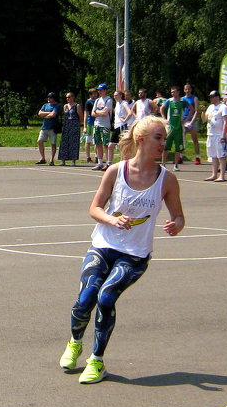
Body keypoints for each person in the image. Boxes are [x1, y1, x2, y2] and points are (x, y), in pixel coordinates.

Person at [57, 117, 186, 384]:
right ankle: (75, 341)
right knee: (85, 299)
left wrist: (176, 225)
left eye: (164, 138)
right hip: (103, 246)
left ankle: (96, 360)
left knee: (105, 298)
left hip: (134, 254)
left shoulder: (168, 179)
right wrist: (112, 220)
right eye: (158, 138)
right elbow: (94, 208)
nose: (164, 143)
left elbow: (180, 216)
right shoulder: (116, 171)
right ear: (141, 140)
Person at [159, 86, 189, 172]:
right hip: (170, 127)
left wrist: (186, 119)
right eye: (172, 92)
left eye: (174, 92)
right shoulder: (169, 101)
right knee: (166, 147)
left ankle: (176, 165)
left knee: (178, 148)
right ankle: (163, 164)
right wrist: (164, 118)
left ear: (178, 92)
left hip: (179, 127)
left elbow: (191, 109)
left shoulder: (183, 101)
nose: (173, 93)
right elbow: (162, 108)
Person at [204, 90, 227, 182]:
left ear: (217, 97)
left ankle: (222, 176)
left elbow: (226, 121)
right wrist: (203, 112)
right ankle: (214, 174)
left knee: (221, 156)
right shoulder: (210, 107)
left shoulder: (223, 107)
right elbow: (204, 120)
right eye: (210, 97)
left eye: (212, 97)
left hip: (219, 135)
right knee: (213, 156)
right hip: (210, 134)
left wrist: (223, 136)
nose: (211, 99)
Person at [91, 84, 114, 170]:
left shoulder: (108, 100)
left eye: (101, 90)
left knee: (106, 144)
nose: (99, 92)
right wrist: (98, 112)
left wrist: (97, 112)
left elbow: (105, 113)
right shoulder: (97, 100)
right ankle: (100, 162)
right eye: (99, 90)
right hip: (97, 124)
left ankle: (108, 163)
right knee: (98, 143)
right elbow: (92, 113)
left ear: (105, 90)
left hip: (105, 125)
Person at [58, 92, 83, 166]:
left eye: (69, 97)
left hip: (74, 124)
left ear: (73, 97)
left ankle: (73, 160)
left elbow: (81, 117)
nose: (67, 99)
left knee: (73, 142)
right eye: (66, 97)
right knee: (64, 142)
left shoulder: (77, 106)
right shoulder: (65, 106)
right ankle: (63, 160)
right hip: (66, 124)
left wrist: (79, 124)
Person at [35, 92, 59, 165]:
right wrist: (48, 113)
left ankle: (51, 160)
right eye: (48, 97)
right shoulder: (45, 105)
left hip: (53, 127)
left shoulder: (57, 105)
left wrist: (45, 114)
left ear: (54, 98)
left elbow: (53, 115)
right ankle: (43, 158)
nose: (49, 98)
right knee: (39, 141)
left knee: (53, 143)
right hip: (44, 127)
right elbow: (39, 113)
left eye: (50, 97)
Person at [182, 83, 202, 165]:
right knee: (182, 139)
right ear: (184, 90)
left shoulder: (194, 98)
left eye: (189, 89)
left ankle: (197, 157)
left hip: (192, 121)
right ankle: (180, 156)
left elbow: (196, 111)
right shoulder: (182, 99)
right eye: (186, 89)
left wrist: (192, 122)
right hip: (184, 120)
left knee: (195, 140)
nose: (187, 90)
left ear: (191, 89)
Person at [83, 88, 98, 164]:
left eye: (96, 93)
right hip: (90, 123)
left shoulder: (98, 101)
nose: (96, 94)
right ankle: (88, 157)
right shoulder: (88, 102)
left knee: (97, 140)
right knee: (88, 141)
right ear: (91, 94)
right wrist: (85, 126)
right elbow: (86, 115)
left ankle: (97, 156)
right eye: (94, 93)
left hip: (97, 123)